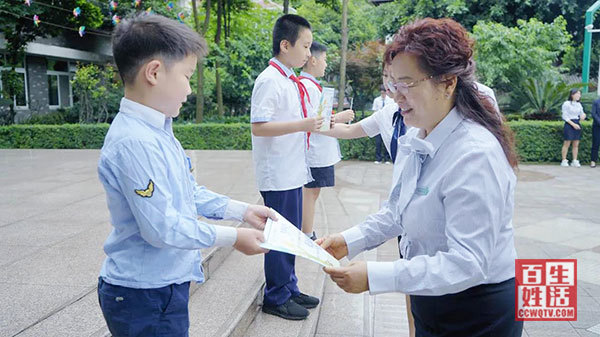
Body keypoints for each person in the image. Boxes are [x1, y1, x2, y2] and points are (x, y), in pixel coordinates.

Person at [318, 18, 523, 336]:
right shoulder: (419, 136)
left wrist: (377, 276)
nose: (396, 97)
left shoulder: (475, 154)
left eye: (406, 84)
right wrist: (348, 241)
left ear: (447, 82)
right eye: (391, 85)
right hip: (433, 297)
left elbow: (468, 263)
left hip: (476, 311)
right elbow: (397, 210)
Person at [97, 14, 275, 336]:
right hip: (142, 295)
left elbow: (188, 192)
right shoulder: (134, 142)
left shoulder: (160, 131)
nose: (190, 90)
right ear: (154, 72)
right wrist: (234, 238)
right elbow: (161, 229)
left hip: (164, 285)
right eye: (187, 76)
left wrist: (242, 211)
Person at [250, 14, 321, 320]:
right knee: (279, 236)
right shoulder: (269, 80)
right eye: (305, 46)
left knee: (290, 234)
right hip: (277, 174)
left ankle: (289, 287)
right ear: (285, 45)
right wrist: (303, 124)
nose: (309, 53)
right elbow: (259, 126)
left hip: (291, 170)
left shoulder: (288, 79)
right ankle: (275, 296)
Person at [299, 41, 354, 241]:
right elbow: (317, 121)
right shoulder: (308, 87)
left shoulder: (311, 85)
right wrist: (341, 117)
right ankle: (307, 233)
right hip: (315, 150)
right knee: (311, 192)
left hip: (318, 148)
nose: (325, 64)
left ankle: (307, 231)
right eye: (324, 59)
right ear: (313, 60)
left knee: (313, 192)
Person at [561, 89, 586, 167]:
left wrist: (583, 116)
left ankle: (574, 160)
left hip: (577, 123)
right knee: (567, 143)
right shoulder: (566, 103)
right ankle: (564, 160)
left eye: (579, 94)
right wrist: (573, 124)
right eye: (577, 94)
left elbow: (582, 113)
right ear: (572, 94)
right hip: (569, 124)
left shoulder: (579, 104)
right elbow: (565, 116)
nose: (579, 95)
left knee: (576, 143)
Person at [371, 86, 396, 164]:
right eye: (381, 93)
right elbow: (374, 111)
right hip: (379, 123)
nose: (383, 94)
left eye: (384, 93)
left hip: (388, 124)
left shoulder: (391, 100)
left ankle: (386, 159)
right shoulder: (377, 100)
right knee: (378, 143)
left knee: (387, 141)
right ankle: (378, 158)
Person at [591, 96, 600, 168]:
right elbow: (593, 114)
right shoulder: (596, 102)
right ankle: (593, 161)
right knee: (595, 144)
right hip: (597, 126)